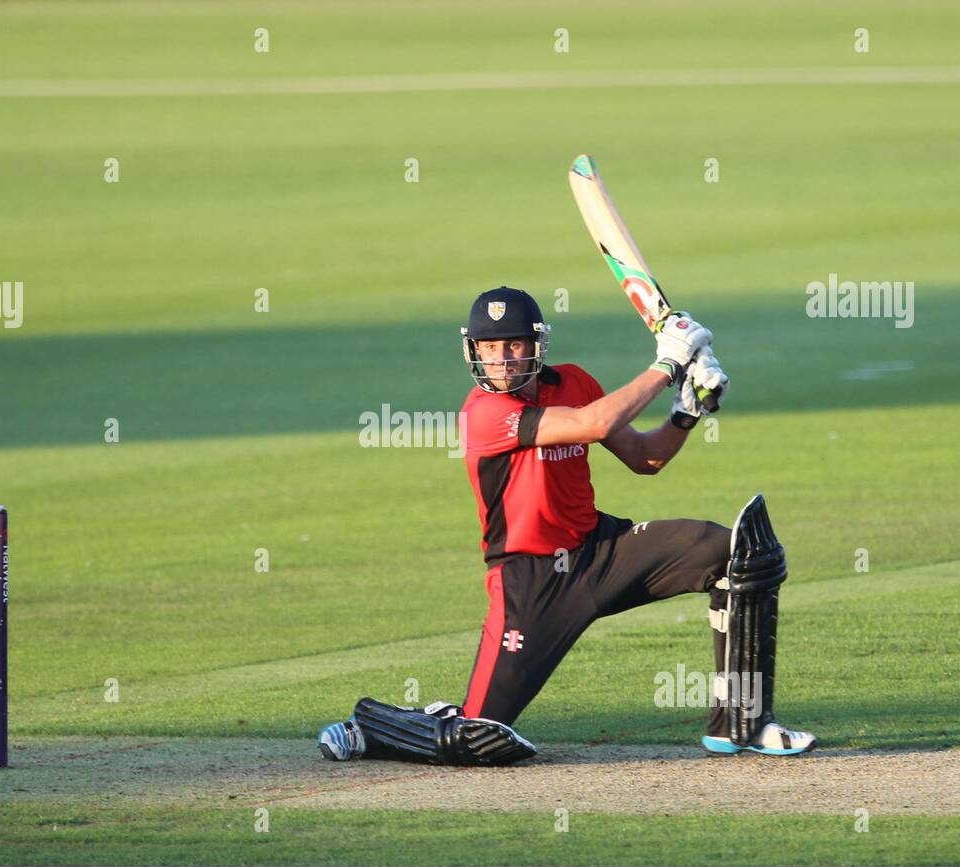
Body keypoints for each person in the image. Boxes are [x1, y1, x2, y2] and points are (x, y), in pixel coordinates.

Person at [317, 286, 816, 765]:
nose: (502, 358)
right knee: (477, 738)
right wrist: (667, 364)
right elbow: (594, 425)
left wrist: (685, 411)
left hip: (599, 552)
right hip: (529, 582)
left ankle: (742, 721)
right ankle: (375, 726)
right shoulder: (484, 413)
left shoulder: (575, 382)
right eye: (489, 347)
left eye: (513, 344)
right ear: (473, 351)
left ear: (537, 344)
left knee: (736, 552)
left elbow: (645, 459)